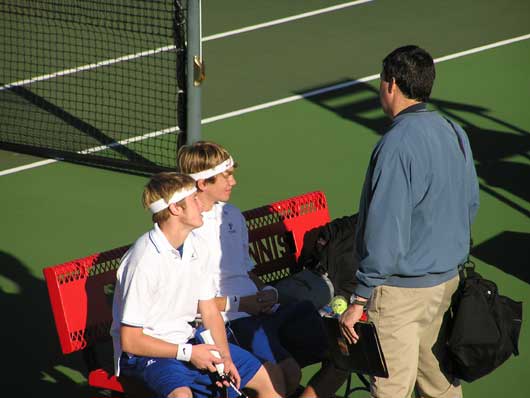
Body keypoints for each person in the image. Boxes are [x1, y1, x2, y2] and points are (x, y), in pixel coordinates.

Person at [339, 45, 480, 398]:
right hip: (445, 284)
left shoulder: (396, 144)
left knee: (391, 390)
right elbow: (470, 204)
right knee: (441, 386)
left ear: (391, 84)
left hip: (400, 294)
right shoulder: (454, 131)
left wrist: (358, 301)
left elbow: (385, 231)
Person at [178, 141, 349, 398]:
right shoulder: (183, 230)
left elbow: (245, 271)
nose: (233, 182)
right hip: (231, 323)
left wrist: (267, 291)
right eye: (226, 176)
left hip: (264, 311)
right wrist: (242, 303)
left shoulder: (233, 215)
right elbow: (190, 304)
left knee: (344, 354)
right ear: (203, 183)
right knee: (288, 374)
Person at [110, 172, 282, 398]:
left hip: (189, 342)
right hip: (148, 354)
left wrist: (225, 357)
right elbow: (131, 341)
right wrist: (189, 353)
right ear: (175, 209)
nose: (201, 204)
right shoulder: (143, 261)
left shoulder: (194, 245)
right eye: (193, 199)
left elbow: (209, 310)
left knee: (268, 378)